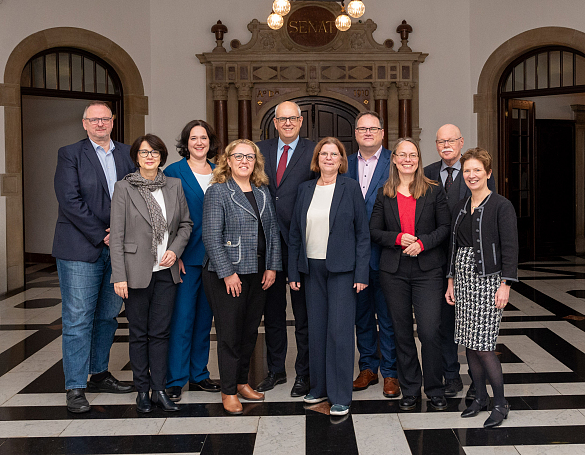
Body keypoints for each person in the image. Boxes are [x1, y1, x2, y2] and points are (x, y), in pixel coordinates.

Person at [53, 101, 135, 414]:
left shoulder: (127, 153)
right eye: (94, 119)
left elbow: (138, 195)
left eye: (105, 119)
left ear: (113, 122)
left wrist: (123, 232)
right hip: (80, 249)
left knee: (107, 315)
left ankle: (99, 373)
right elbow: (69, 200)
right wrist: (103, 233)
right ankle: (75, 385)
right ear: (84, 124)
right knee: (77, 318)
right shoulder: (70, 154)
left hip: (118, 250)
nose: (100, 124)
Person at [110, 134, 192, 413]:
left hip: (165, 272)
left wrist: (176, 249)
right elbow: (118, 235)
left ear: (161, 157)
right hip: (135, 272)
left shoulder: (174, 185)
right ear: (136, 157)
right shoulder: (123, 188)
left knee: (161, 333)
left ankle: (159, 389)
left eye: (155, 152)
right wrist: (118, 276)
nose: (149, 156)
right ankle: (142, 390)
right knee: (138, 333)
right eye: (144, 152)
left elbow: (185, 225)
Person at [288, 137, 370, 416]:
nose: (329, 158)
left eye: (334, 154)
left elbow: (362, 234)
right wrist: (293, 270)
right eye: (324, 153)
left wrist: (361, 272)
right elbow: (295, 233)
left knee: (340, 331)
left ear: (341, 160)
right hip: (311, 269)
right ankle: (319, 388)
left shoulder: (350, 187)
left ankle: (340, 395)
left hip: (343, 270)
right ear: (317, 158)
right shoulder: (305, 189)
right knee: (317, 330)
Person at [202, 139, 281, 415]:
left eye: (250, 156)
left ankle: (241, 381)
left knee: (249, 332)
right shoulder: (218, 192)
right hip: (228, 274)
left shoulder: (261, 191)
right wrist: (228, 274)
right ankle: (227, 391)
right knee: (230, 334)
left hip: (258, 273)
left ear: (256, 161)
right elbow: (211, 236)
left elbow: (271, 232)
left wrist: (272, 266)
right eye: (239, 156)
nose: (244, 161)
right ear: (228, 160)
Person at [370, 138, 450, 411]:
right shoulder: (384, 193)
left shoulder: (434, 192)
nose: (407, 159)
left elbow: (445, 228)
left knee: (429, 331)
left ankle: (435, 389)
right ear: (394, 159)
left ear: (418, 159)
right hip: (394, 272)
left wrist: (423, 243)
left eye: (412, 155)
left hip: (428, 269)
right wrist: (398, 237)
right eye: (402, 155)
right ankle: (411, 389)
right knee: (401, 332)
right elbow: (375, 231)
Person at [446, 148, 518, 428]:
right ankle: (480, 398)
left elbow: (510, 248)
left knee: (485, 345)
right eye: (467, 171)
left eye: (477, 170)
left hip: (489, 281)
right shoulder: (461, 206)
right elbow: (453, 246)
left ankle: (501, 402)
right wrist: (451, 280)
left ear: (488, 173)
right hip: (463, 281)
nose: (471, 175)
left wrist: (505, 285)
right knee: (470, 345)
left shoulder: (501, 205)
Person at [424, 124, 496, 399]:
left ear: (461, 142)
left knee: (472, 324)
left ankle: (478, 383)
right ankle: (451, 376)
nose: (446, 145)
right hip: (435, 261)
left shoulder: (474, 171)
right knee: (443, 322)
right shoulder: (428, 173)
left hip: (471, 263)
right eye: (441, 141)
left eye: (451, 140)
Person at [256, 101, 316, 397]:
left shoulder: (314, 150)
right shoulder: (259, 150)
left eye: (293, 118)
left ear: (301, 121)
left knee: (303, 314)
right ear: (275, 122)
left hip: (302, 244)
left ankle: (303, 374)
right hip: (267, 243)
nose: (288, 123)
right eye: (282, 119)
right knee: (274, 312)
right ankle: (276, 370)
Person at [164, 120, 221, 402]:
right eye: (193, 138)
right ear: (185, 143)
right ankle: (175, 378)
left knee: (203, 320)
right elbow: (163, 217)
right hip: (185, 257)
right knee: (182, 318)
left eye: (204, 138)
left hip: (215, 258)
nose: (199, 142)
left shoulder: (220, 171)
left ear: (211, 141)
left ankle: (198, 374)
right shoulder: (173, 172)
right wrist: (174, 254)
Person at [347, 111, 400, 399]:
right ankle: (368, 367)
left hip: (387, 253)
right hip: (355, 256)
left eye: (373, 128)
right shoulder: (344, 165)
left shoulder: (396, 162)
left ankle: (391, 373)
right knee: (362, 315)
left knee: (388, 316)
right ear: (355, 133)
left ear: (382, 133)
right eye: (362, 129)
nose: (367, 133)